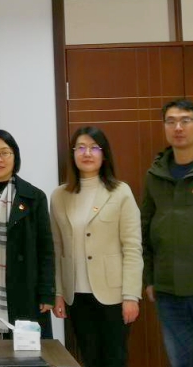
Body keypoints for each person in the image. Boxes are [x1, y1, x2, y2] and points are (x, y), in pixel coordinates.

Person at [50, 126, 142, 367]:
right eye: (80, 147)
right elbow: (56, 249)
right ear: (73, 154)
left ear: (104, 154)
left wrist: (131, 295)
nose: (87, 153)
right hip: (76, 296)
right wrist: (58, 293)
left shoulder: (120, 192)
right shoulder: (59, 196)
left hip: (114, 295)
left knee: (114, 359)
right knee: (89, 359)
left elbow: (132, 247)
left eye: (94, 148)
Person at [142, 99, 193, 367]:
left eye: (185, 120)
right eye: (171, 122)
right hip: (168, 292)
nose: (178, 127)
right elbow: (145, 230)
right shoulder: (155, 174)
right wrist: (150, 279)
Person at [0, 129, 54, 340]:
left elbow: (46, 249)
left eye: (5, 153)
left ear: (15, 156)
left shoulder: (34, 197)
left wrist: (47, 292)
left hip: (28, 290)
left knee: (29, 353)